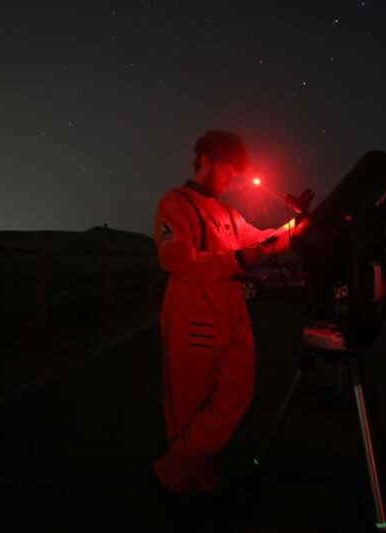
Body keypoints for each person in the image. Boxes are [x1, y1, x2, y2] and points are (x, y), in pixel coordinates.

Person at [149, 130, 308, 521]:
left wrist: (297, 226)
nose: (233, 177)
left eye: (237, 171)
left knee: (236, 394)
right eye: (229, 168)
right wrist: (239, 260)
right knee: (188, 405)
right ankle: (190, 484)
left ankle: (178, 468)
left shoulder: (228, 215)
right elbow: (177, 260)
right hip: (192, 316)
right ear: (204, 159)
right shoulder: (175, 204)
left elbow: (263, 241)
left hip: (232, 313)